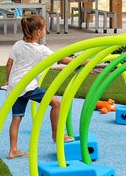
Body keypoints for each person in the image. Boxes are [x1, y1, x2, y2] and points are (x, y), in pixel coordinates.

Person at [5, 14, 74, 159]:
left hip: (15, 86)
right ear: (38, 32)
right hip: (28, 85)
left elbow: (9, 64)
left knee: (16, 118)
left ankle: (13, 150)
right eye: (44, 29)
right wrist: (81, 61)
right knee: (56, 103)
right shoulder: (40, 49)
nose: (45, 31)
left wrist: (8, 82)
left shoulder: (18, 44)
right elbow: (61, 59)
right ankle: (56, 135)